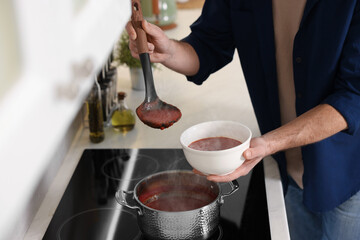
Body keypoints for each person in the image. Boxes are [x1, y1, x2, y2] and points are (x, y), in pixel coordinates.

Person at [126, 0, 360, 239]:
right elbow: (208, 45)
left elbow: (354, 96)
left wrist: (269, 143)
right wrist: (169, 51)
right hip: (284, 167)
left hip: (346, 172)